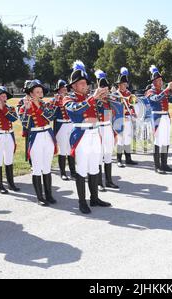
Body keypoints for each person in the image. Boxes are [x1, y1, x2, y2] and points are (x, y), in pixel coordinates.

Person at [64, 61, 112, 214]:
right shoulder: (68, 99)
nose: (85, 85)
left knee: (94, 167)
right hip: (82, 135)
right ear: (74, 86)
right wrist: (93, 98)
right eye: (82, 83)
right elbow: (76, 110)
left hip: (94, 134)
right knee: (82, 169)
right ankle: (82, 202)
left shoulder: (91, 98)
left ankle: (94, 198)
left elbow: (105, 113)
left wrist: (105, 98)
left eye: (86, 83)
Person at [19, 80, 58, 206]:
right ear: (31, 93)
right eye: (37, 92)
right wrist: (28, 110)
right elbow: (25, 124)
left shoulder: (45, 105)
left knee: (47, 167)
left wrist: (39, 107)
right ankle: (40, 197)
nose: (40, 94)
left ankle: (49, 195)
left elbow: (51, 117)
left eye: (41, 91)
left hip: (48, 134)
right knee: (37, 168)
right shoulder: (24, 107)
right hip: (36, 136)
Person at [145, 65, 172, 174]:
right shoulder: (150, 92)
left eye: (161, 80)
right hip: (157, 118)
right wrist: (167, 89)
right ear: (153, 82)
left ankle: (164, 164)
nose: (161, 82)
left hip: (165, 117)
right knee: (158, 142)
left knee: (166, 141)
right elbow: (156, 99)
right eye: (158, 80)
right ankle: (157, 166)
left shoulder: (164, 91)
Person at [94, 70, 120, 191]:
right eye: (103, 88)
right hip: (99, 128)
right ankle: (99, 183)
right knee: (99, 155)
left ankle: (109, 181)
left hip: (108, 127)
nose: (105, 90)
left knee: (108, 153)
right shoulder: (95, 100)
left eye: (106, 88)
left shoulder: (110, 100)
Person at [51, 79, 77, 181]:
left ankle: (73, 172)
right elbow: (51, 114)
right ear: (58, 90)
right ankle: (63, 172)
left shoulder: (70, 98)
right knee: (62, 150)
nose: (64, 90)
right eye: (62, 89)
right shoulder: (54, 100)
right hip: (61, 125)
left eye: (65, 89)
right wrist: (55, 102)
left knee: (71, 149)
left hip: (70, 124)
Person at [115, 67, 138, 168]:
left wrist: (133, 112)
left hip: (128, 119)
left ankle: (128, 158)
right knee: (120, 139)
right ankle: (119, 159)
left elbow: (133, 105)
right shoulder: (115, 94)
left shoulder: (129, 93)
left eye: (125, 84)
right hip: (119, 120)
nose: (125, 86)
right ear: (119, 85)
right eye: (123, 84)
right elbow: (113, 108)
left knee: (128, 138)